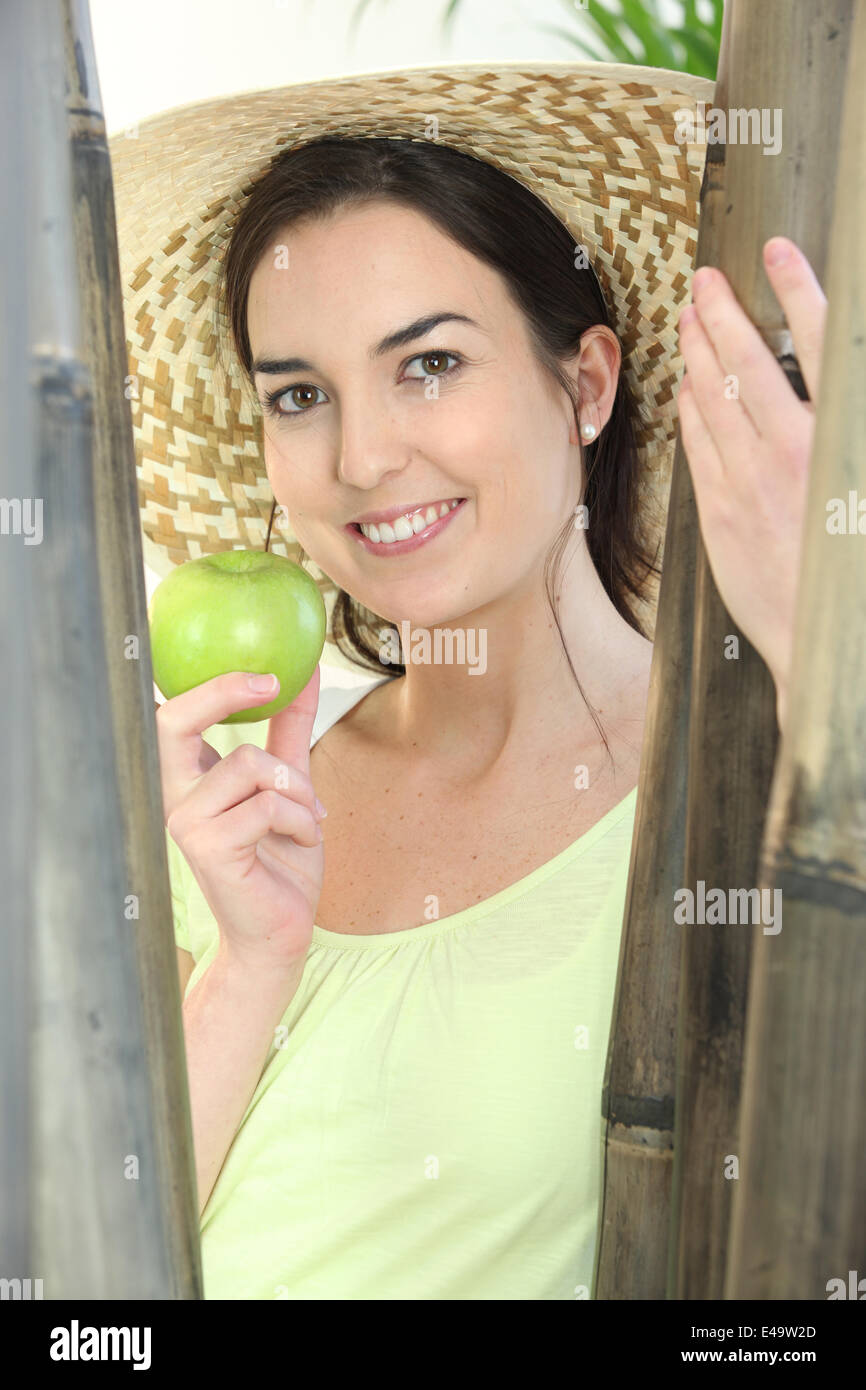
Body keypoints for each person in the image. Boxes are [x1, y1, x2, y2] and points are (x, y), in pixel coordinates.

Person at [112, 62, 825, 1300]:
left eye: (429, 363)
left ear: (586, 383)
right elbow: (87, 1287)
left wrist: (832, 652)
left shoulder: (753, 795)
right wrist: (251, 962)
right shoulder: (233, 823)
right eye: (299, 394)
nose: (362, 455)